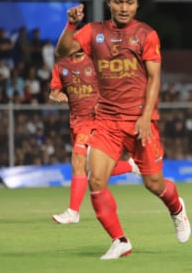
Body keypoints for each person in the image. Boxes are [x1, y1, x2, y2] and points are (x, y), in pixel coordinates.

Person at [55, 0, 191, 259]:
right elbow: (62, 51)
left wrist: (145, 117)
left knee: (153, 183)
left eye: (130, 2)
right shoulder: (93, 32)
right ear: (108, 1)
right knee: (96, 179)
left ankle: (177, 207)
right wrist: (71, 24)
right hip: (106, 121)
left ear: (138, 4)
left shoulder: (146, 35)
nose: (124, 7)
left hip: (141, 120)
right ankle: (120, 241)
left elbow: (155, 78)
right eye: (118, 1)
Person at [49, 50, 141, 225]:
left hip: (95, 121)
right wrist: (56, 96)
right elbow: (53, 92)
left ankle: (73, 212)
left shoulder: (96, 62)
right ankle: (130, 166)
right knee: (91, 169)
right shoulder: (61, 66)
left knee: (77, 160)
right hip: (76, 122)